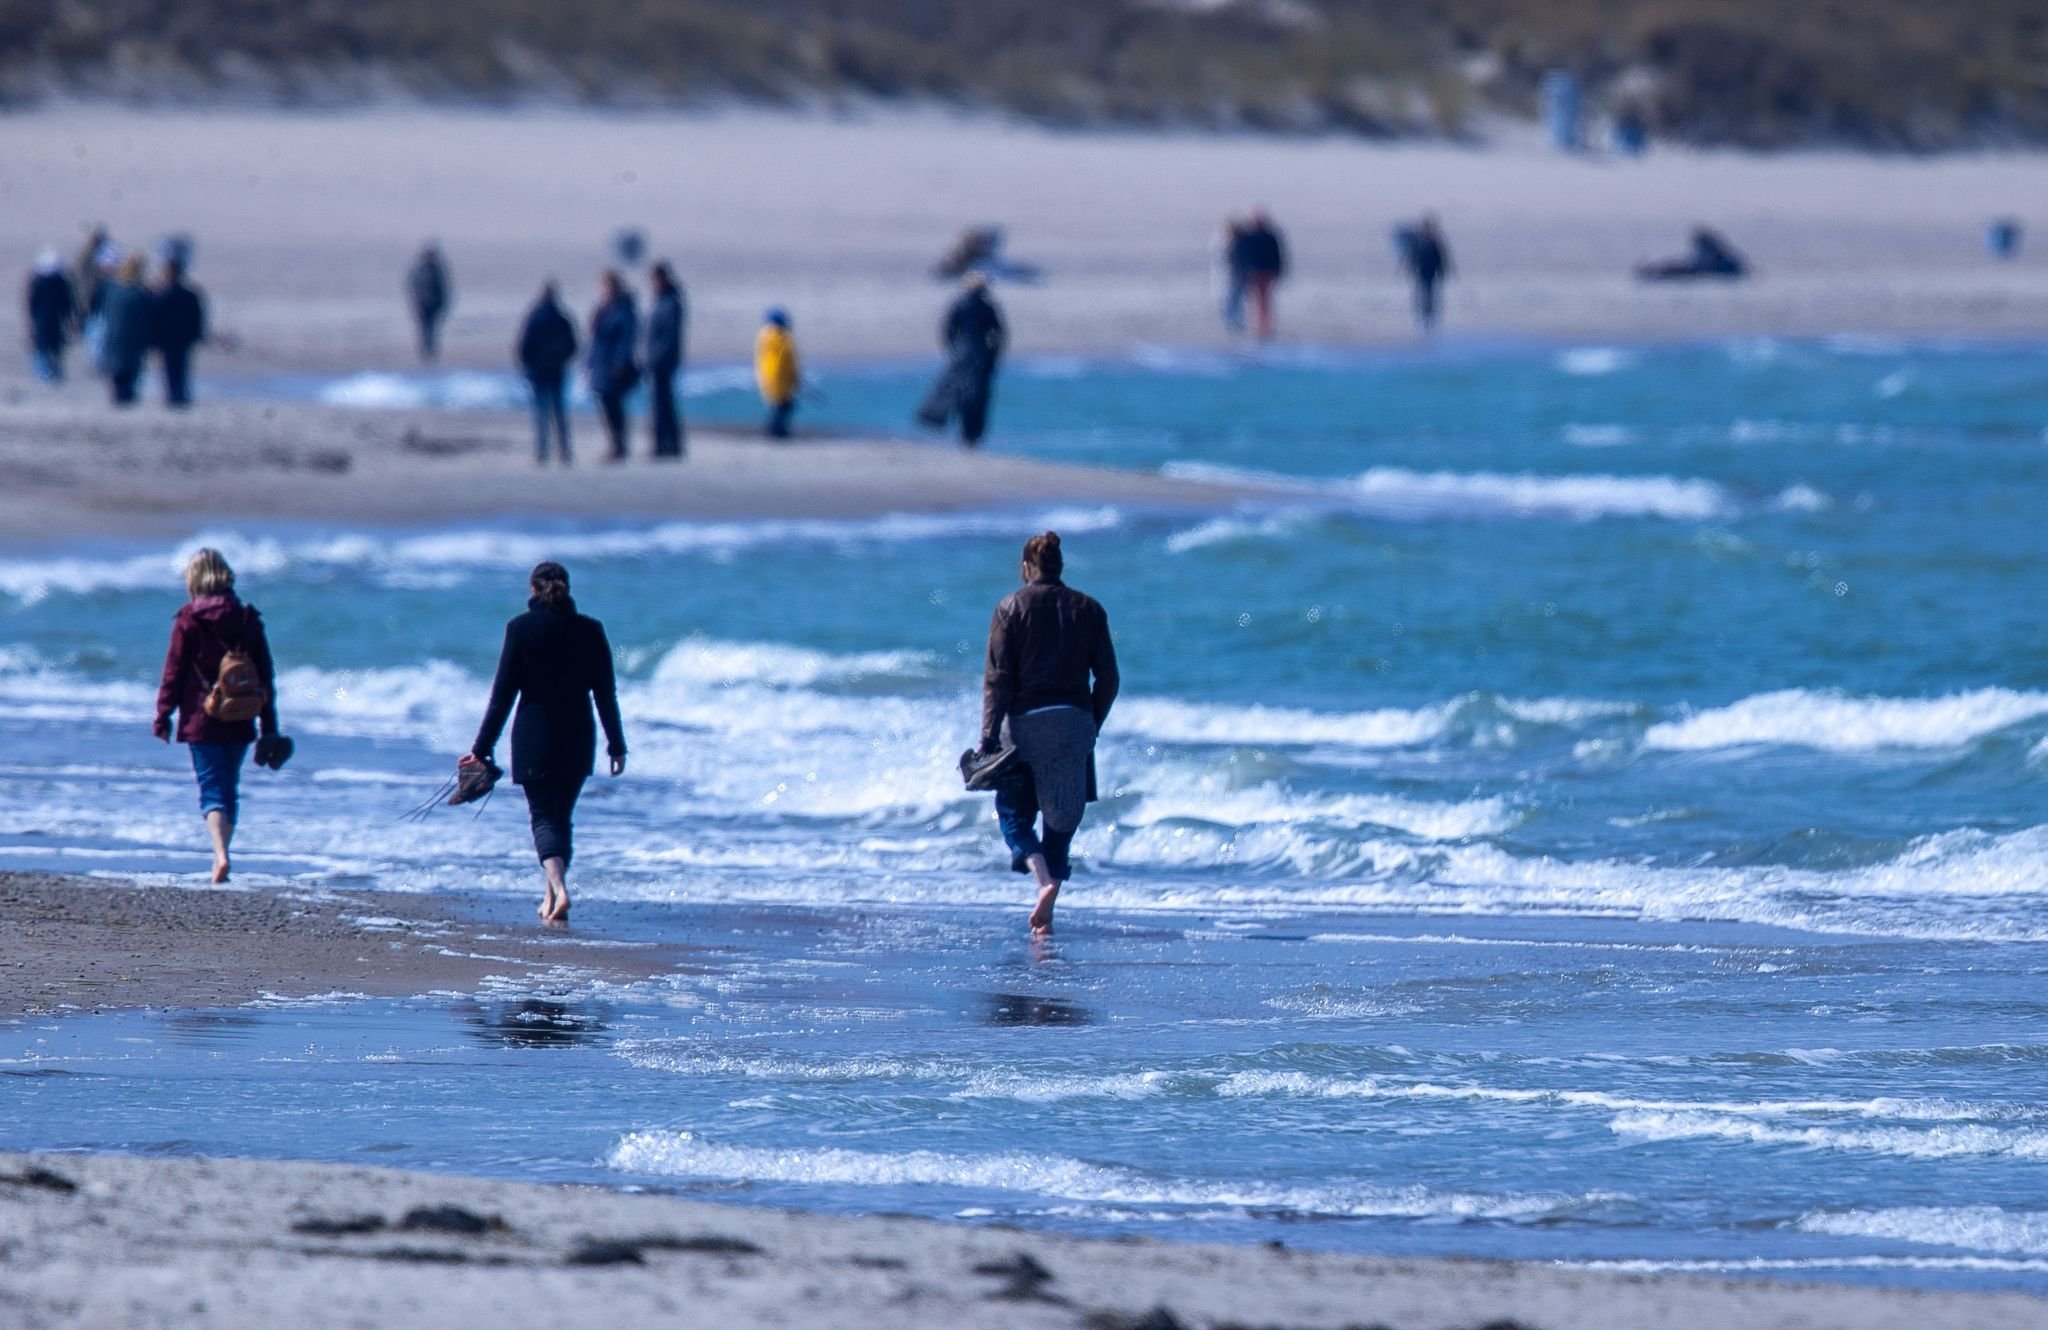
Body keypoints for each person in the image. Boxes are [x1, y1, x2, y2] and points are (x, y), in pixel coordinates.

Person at [470, 562, 627, 924]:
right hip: (577, 736)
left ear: (532, 590)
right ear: (567, 589)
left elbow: (502, 695)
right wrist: (616, 745)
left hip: (533, 737)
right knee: (560, 818)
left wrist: (482, 747)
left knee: (543, 817)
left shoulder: (520, 629)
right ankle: (549, 899)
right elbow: (606, 694)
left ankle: (558, 889)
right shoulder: (590, 630)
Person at [979, 531, 1119, 935]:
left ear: (1026, 568)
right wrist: (1090, 722)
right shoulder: (1089, 608)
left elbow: (997, 680)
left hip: (1025, 724)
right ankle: (1047, 914)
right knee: (1062, 817)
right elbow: (1108, 677)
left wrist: (988, 737)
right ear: (1060, 567)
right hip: (1073, 720)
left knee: (1013, 813)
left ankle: (1043, 881)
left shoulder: (1010, 606)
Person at [153, 548, 281, 884]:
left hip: (201, 716)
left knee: (212, 788)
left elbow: (173, 673)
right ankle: (222, 851)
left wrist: (163, 715)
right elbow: (265, 677)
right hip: (241, 715)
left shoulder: (188, 620)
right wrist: (270, 728)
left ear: (193, 579)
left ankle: (220, 853)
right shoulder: (246, 619)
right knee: (229, 787)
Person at [916, 274, 1007, 447]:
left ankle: (943, 424)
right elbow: (999, 333)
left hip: (961, 354)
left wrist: (952, 349)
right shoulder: (987, 306)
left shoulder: (959, 304)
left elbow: (948, 330)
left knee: (953, 390)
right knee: (977, 395)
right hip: (980, 354)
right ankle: (971, 435)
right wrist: (993, 354)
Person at [516, 282, 579, 466]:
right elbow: (573, 346)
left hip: (539, 372)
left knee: (541, 413)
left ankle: (542, 451)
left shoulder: (535, 318)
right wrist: (560, 359)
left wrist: (529, 365)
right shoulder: (562, 319)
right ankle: (564, 451)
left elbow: (524, 346)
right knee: (558, 413)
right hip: (555, 371)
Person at [587, 270, 639, 462]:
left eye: (608, 287)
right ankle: (614, 445)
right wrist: (589, 364)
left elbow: (627, 339)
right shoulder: (603, 309)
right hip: (600, 364)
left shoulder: (624, 310)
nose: (605, 291)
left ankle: (619, 446)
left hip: (613, 366)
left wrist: (620, 362)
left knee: (615, 407)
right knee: (606, 407)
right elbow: (594, 339)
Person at [99, 254, 154, 407]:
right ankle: (125, 399)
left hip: (114, 338)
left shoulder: (112, 291)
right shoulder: (139, 293)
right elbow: (147, 318)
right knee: (129, 374)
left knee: (117, 373)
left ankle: (119, 399)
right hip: (133, 341)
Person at [645, 261, 687, 460]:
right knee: (659, 403)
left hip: (664, 361)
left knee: (663, 404)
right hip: (655, 359)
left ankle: (667, 444)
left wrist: (656, 358)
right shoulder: (660, 300)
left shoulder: (671, 301)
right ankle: (664, 443)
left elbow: (669, 336)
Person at [152, 258, 207, 408]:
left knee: (171, 369)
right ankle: (179, 396)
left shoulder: (163, 295)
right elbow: (198, 317)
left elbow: (154, 317)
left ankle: (174, 397)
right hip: (182, 339)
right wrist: (197, 335)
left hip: (169, 339)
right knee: (181, 368)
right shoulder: (189, 295)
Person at [1232, 209, 1287, 340]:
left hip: (1266, 271)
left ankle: (1265, 324)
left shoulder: (1269, 236)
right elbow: (1243, 255)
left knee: (1265, 298)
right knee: (1258, 298)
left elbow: (1277, 254)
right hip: (1255, 271)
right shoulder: (1249, 237)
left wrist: (1278, 269)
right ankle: (1260, 324)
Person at [26, 249, 74, 383]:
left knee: (46, 346)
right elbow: (67, 302)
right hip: (52, 319)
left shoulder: (41, 282)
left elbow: (32, 303)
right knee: (50, 347)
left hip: (46, 319)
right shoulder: (59, 282)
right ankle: (48, 372)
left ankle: (47, 372)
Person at [1399, 214, 1453, 331]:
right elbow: (1413, 255)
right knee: (1422, 292)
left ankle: (1430, 314)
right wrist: (1411, 267)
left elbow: (1441, 257)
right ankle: (1422, 313)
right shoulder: (1418, 241)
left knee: (1430, 292)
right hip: (1421, 270)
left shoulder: (1434, 241)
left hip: (1431, 270)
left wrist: (1442, 269)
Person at [1636, 227, 1748, 281]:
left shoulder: (1723, 258)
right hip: (1696, 270)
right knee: (1671, 267)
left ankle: (1650, 271)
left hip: (1698, 271)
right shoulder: (1721, 255)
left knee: (1672, 269)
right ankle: (1650, 270)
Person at [755, 308, 800, 440]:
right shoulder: (784, 339)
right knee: (784, 406)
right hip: (781, 378)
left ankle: (773, 430)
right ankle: (777, 431)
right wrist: (794, 376)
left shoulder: (764, 337)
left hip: (767, 377)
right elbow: (789, 361)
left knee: (776, 405)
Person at [407, 243, 451, 363]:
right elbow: (413, 286)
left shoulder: (437, 270)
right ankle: (426, 350)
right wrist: (416, 301)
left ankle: (429, 350)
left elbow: (443, 288)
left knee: (431, 328)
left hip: (433, 304)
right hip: (422, 304)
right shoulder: (420, 270)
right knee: (425, 328)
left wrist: (442, 303)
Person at [1218, 216, 1249, 333]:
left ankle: (1236, 321)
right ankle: (1230, 321)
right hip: (1232, 273)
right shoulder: (1230, 242)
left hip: (1240, 273)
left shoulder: (1241, 241)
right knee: (1231, 297)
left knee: (1237, 298)